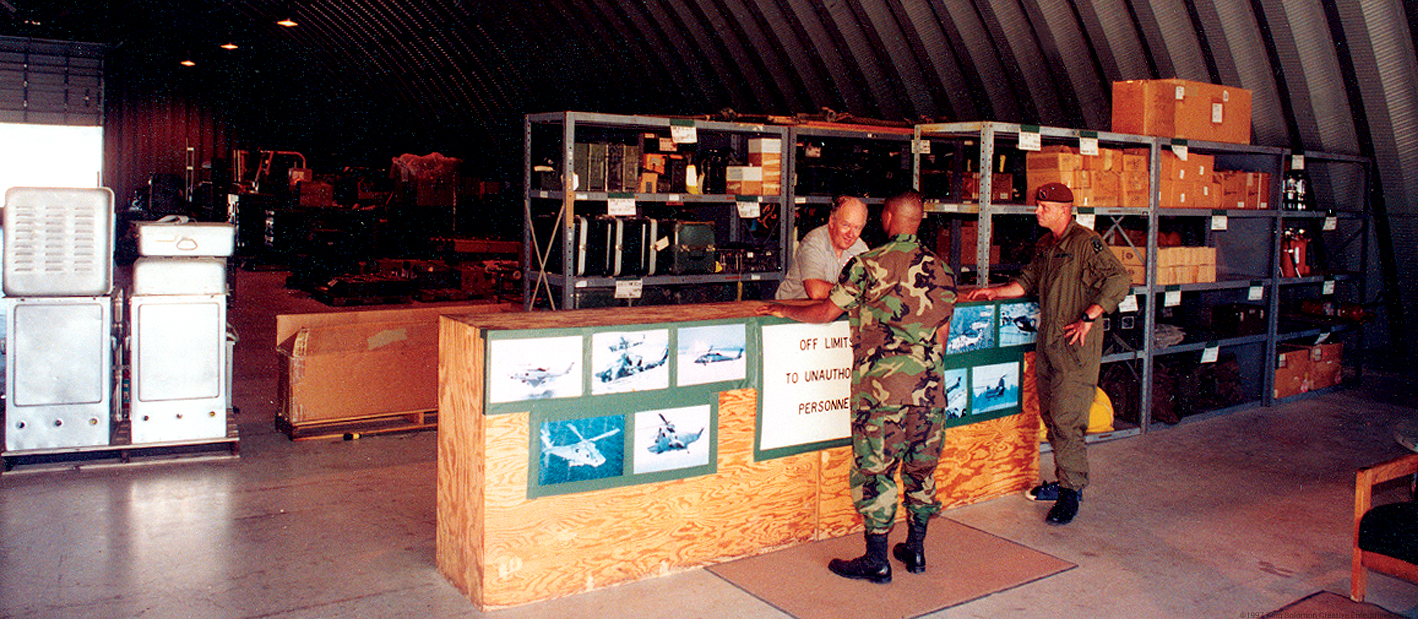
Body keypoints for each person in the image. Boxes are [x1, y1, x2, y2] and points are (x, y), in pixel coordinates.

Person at [759, 191, 955, 583]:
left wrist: (783, 310)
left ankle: (877, 560)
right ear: (919, 221)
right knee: (921, 470)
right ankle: (916, 552)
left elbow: (827, 309)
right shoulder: (943, 270)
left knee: (875, 472)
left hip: (881, 393)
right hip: (930, 391)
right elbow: (943, 336)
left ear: (885, 218)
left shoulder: (868, 264)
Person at [964, 182, 1131, 526]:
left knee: (1068, 420)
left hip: (1076, 346)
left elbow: (1119, 279)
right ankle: (1065, 479)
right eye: (1037, 206)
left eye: (1044, 207)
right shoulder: (1046, 246)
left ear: (1064, 210)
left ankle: (1071, 492)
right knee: (1053, 418)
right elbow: (1026, 282)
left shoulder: (1086, 243)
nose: (1037, 212)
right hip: (1049, 343)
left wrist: (1090, 315)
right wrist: (995, 293)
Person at [775, 195, 869, 300]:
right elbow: (816, 291)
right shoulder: (813, 242)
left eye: (857, 228)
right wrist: (857, 293)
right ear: (832, 221)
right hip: (791, 309)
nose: (851, 234)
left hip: (830, 310)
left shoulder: (860, 248)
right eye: (845, 225)